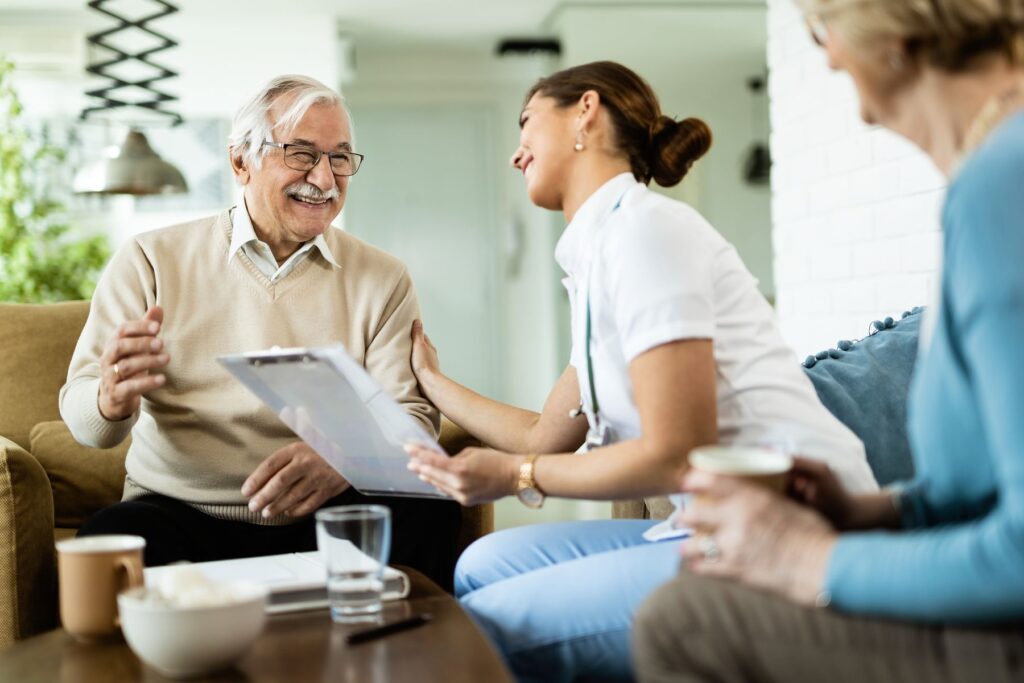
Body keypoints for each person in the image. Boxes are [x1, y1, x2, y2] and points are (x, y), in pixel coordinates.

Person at [404, 60, 877, 682]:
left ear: (586, 112)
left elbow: (678, 454)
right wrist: (432, 383)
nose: (515, 154)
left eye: (526, 123)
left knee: (490, 622)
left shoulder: (646, 235)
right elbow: (546, 436)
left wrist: (517, 476)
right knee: (478, 567)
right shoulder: (600, 258)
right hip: (701, 523)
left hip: (783, 530)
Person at [632, 2, 1024, 681]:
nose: (828, 55)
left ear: (897, 39)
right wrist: (866, 510)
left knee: (685, 618)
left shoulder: (1002, 184)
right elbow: (988, 485)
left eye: (825, 29)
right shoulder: (990, 172)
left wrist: (809, 558)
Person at [59, 74, 460, 588]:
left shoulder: (382, 278)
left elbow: (412, 416)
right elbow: (86, 422)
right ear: (240, 161)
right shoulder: (150, 260)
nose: (325, 178)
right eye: (301, 153)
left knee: (433, 508)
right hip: (184, 512)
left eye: (340, 157)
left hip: (330, 508)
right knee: (105, 540)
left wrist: (346, 459)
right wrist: (110, 401)